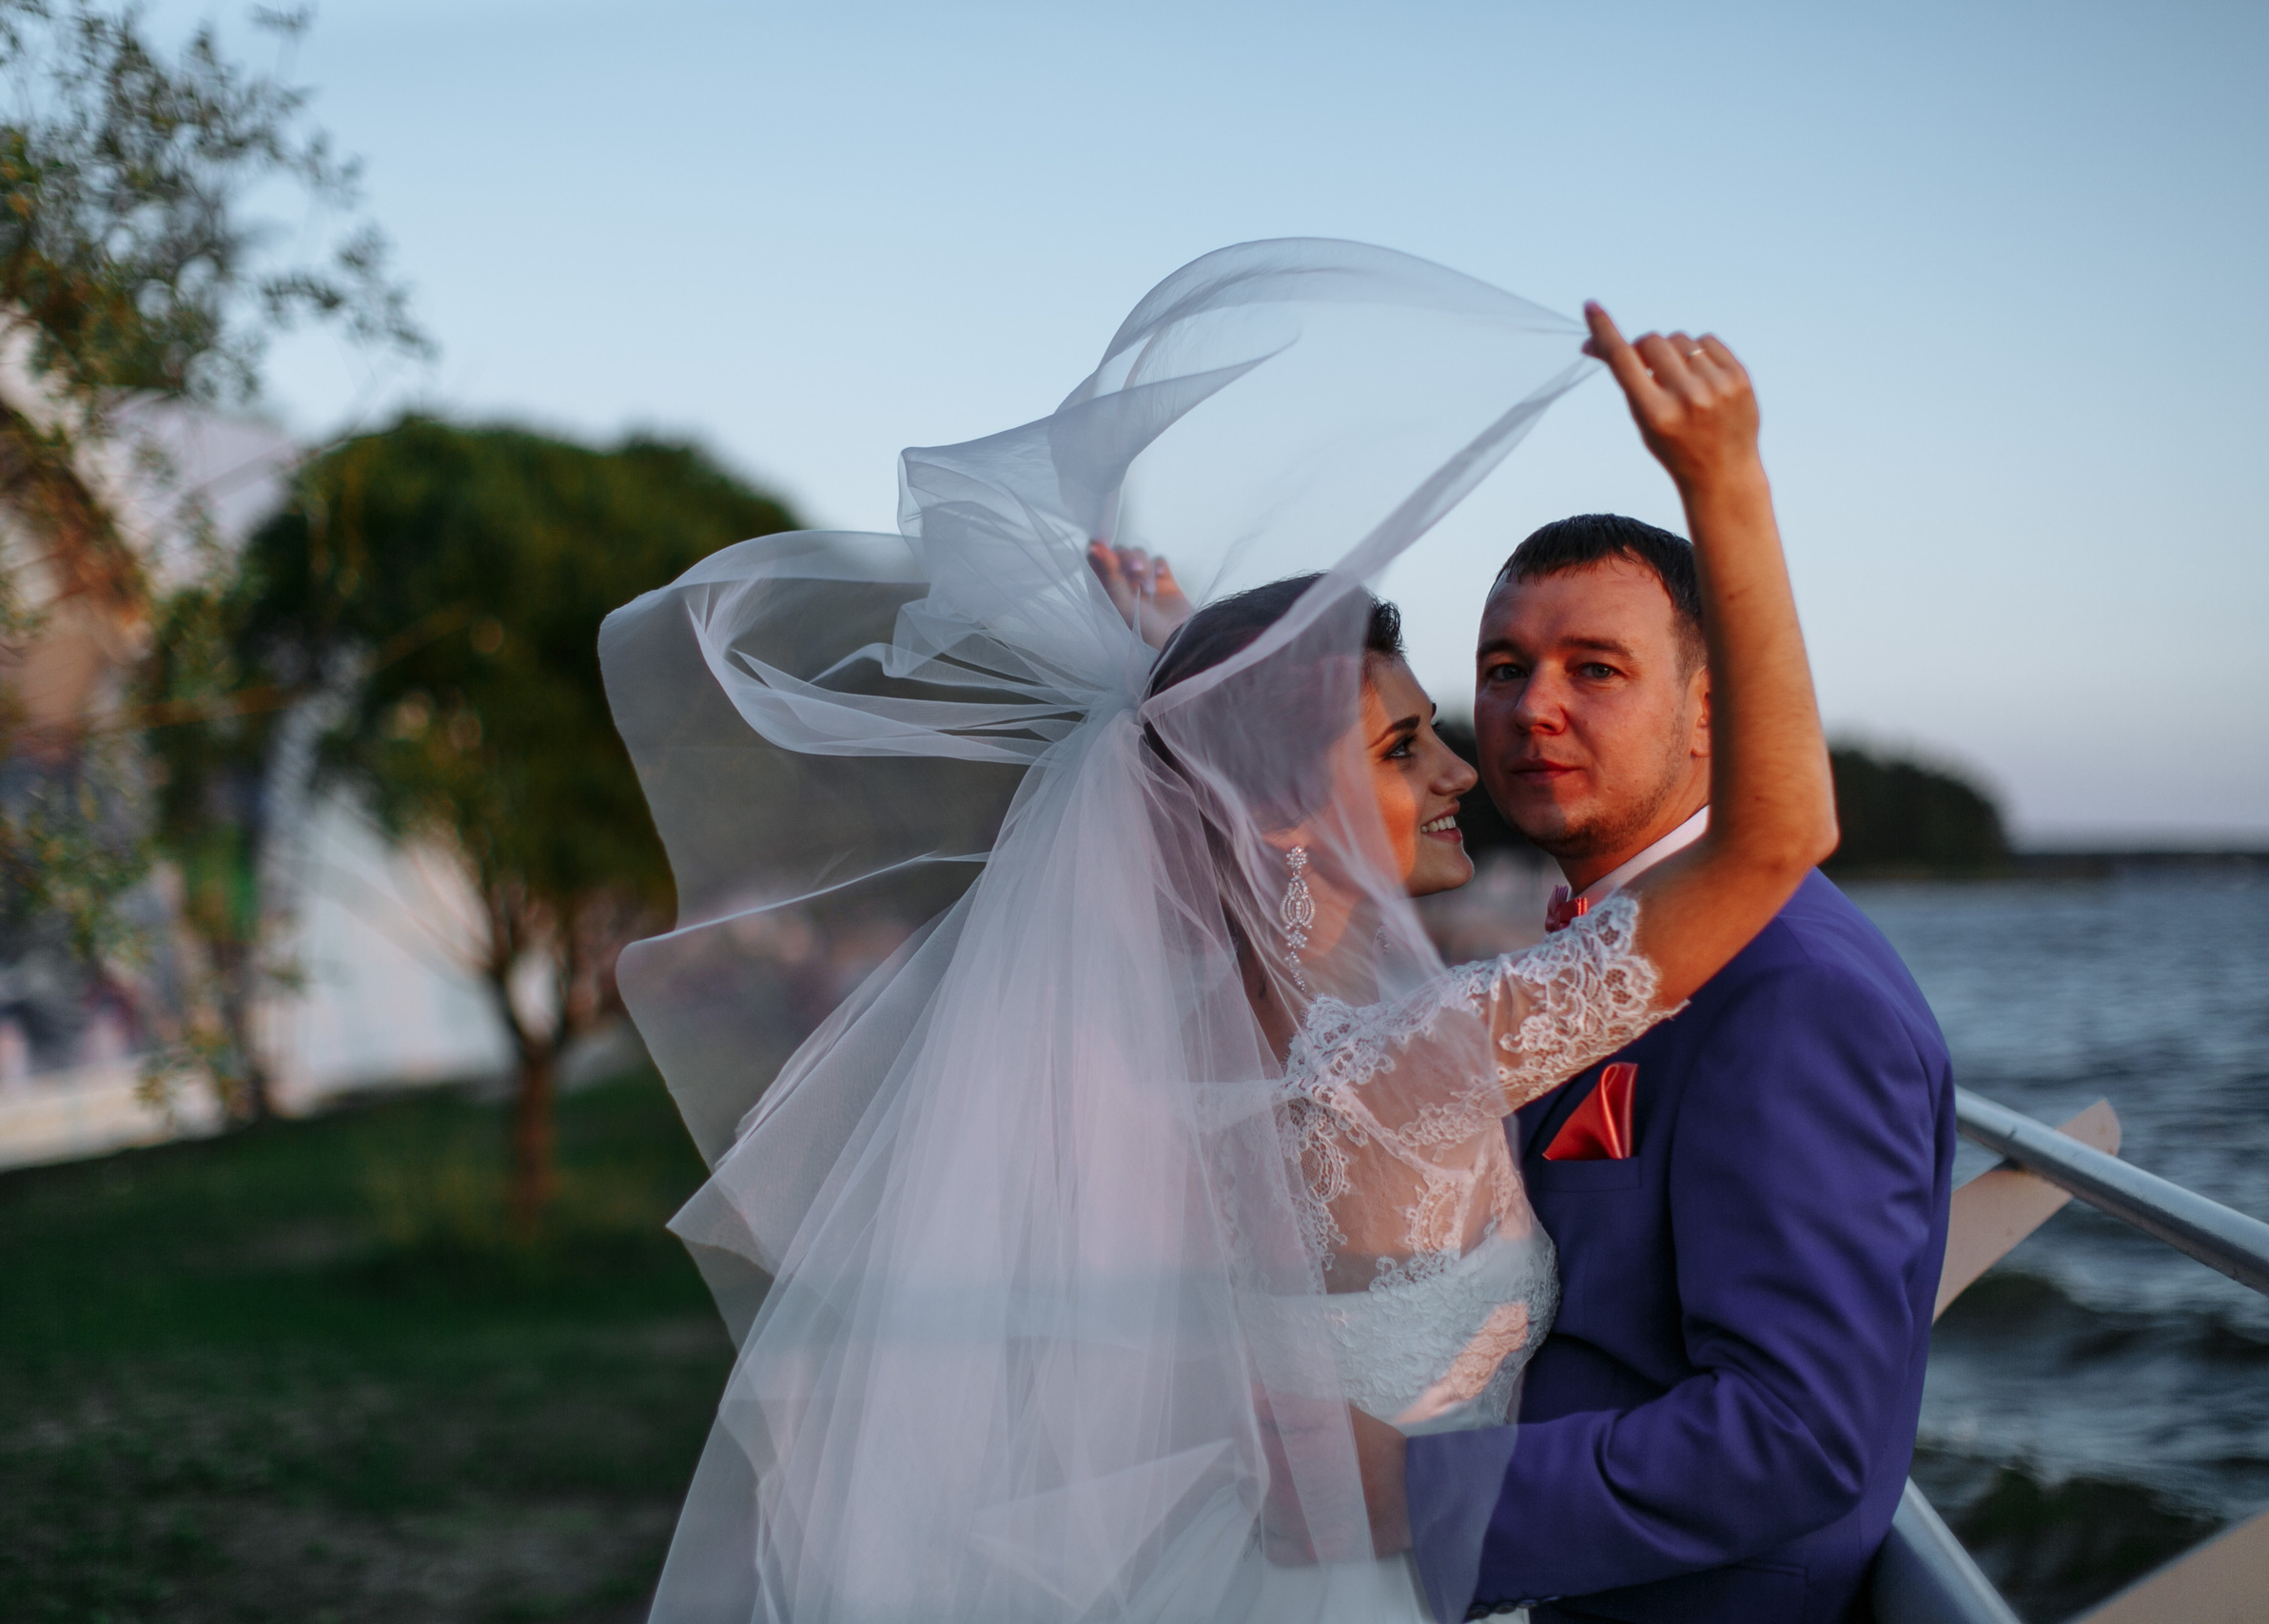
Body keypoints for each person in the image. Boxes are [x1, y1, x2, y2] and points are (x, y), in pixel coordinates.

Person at [599, 240, 1833, 1624]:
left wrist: (1210, 682)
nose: (1458, 772)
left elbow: (1240, 835)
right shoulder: (1414, 1059)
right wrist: (1726, 488)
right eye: (1403, 742)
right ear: (1280, 812)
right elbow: (1780, 838)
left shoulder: (1175, 1031)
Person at [1370, 511, 1957, 1623]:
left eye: (1594, 668)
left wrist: (1406, 1495)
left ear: (1709, 713)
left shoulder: (1794, 994)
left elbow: (1796, 1435)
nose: (1532, 705)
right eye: (1504, 668)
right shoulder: (1584, 963)